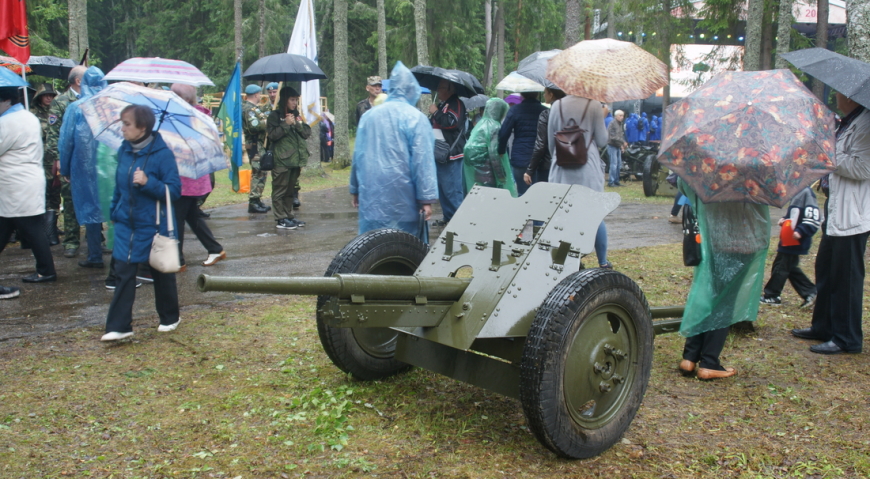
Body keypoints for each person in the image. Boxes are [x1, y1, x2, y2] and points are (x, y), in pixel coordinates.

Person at [792, 92, 870, 355]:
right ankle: (823, 326)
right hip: (836, 205)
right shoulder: (849, 121)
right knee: (825, 267)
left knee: (846, 276)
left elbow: (863, 168)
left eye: (840, 93)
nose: (836, 96)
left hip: (854, 211)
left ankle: (847, 338)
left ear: (852, 97)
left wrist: (829, 154)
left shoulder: (867, 123)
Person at [102, 105, 181, 341]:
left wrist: (148, 182)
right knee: (123, 272)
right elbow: (119, 185)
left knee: (160, 271)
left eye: (127, 124)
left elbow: (174, 191)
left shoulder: (163, 154)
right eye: (122, 123)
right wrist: (114, 211)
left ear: (143, 127)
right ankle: (119, 326)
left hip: (152, 224)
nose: (122, 128)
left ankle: (170, 316)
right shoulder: (124, 151)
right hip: (126, 223)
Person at [678, 181, 770, 379]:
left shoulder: (706, 166)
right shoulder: (754, 168)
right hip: (742, 241)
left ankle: (690, 357)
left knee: (706, 295)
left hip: (712, 240)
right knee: (725, 303)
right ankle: (709, 362)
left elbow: (684, 185)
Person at [350, 61, 437, 243]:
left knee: (370, 248)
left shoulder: (368, 117)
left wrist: (355, 188)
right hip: (405, 196)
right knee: (408, 248)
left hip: (372, 195)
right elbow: (423, 161)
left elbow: (358, 155)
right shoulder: (417, 119)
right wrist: (426, 199)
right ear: (412, 89)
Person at [0, 86, 58, 294]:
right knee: (23, 228)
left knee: (31, 229)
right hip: (25, 183)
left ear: (5, 101)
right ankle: (46, 269)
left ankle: (46, 270)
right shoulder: (27, 117)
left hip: (16, 185)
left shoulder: (7, 122)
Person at [547, 93, 611, 268]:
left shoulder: (556, 105)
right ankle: (603, 261)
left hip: (561, 168)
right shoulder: (594, 105)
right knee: (595, 214)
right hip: (587, 168)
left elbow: (550, 145)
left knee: (563, 216)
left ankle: (566, 260)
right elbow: (603, 140)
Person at [58, 66, 110, 270]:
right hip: (110, 165)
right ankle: (121, 256)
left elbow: (66, 141)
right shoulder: (112, 106)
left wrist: (65, 169)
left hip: (84, 166)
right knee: (115, 207)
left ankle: (95, 256)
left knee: (91, 209)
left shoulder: (76, 108)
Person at [170, 83, 226, 269]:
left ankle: (177, 260)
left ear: (185, 99)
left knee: (177, 217)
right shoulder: (192, 116)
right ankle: (215, 248)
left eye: (174, 95)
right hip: (187, 177)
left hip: (188, 178)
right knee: (191, 216)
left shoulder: (192, 118)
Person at [47, 65, 88, 258]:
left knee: (92, 198)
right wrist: (59, 160)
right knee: (70, 199)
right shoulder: (61, 102)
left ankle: (96, 239)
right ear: (78, 81)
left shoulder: (93, 98)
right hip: (69, 160)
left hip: (88, 159)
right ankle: (71, 240)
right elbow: (53, 135)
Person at [760, 187, 819, 307]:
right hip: (788, 239)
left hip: (795, 241)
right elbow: (794, 215)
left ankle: (772, 295)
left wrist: (801, 231)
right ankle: (811, 292)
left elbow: (812, 218)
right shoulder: (797, 192)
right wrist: (784, 219)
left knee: (781, 267)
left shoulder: (806, 192)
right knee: (789, 267)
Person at [267, 86, 310, 230]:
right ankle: (280, 218)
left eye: (296, 100)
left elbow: (306, 133)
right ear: (285, 100)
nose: (294, 103)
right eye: (292, 100)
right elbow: (272, 136)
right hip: (281, 160)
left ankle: (288, 215)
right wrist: (285, 124)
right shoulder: (274, 116)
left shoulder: (296, 114)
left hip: (295, 160)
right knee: (280, 189)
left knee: (290, 190)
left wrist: (296, 123)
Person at [428, 79, 467, 226]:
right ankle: (448, 218)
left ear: (450, 89)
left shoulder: (456, 103)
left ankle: (458, 222)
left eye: (441, 87)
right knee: (443, 189)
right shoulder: (443, 104)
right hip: (440, 153)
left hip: (451, 154)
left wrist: (436, 112)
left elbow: (452, 122)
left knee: (452, 190)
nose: (438, 90)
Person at [464, 97, 517, 196]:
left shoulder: (480, 123)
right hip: (486, 165)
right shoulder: (494, 126)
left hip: (473, 165)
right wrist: (501, 175)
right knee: (489, 193)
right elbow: (494, 153)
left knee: (478, 192)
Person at [497, 91, 546, 196]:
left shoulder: (514, 110)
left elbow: (504, 133)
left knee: (523, 193)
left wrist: (501, 150)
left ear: (522, 95)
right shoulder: (545, 111)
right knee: (540, 194)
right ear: (537, 94)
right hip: (541, 160)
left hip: (520, 157)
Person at [30, 83, 61, 245]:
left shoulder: (57, 111)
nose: (49, 97)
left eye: (51, 95)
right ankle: (43, 232)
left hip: (55, 160)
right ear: (39, 97)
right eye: (46, 95)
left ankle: (52, 230)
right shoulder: (33, 114)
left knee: (55, 194)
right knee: (42, 194)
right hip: (39, 161)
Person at [523, 87, 566, 188]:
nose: (544, 95)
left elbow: (540, 145)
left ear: (551, 95)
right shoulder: (571, 113)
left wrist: (530, 170)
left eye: (545, 93)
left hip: (547, 165)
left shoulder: (546, 115)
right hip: (570, 162)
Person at [242, 84, 271, 214]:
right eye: (259, 94)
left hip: (258, 144)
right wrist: (267, 123)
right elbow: (253, 126)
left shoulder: (253, 108)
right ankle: (253, 201)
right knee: (257, 170)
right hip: (253, 144)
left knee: (261, 170)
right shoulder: (248, 109)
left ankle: (257, 199)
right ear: (256, 94)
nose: (260, 96)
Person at [606, 110, 626, 187]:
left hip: (617, 146)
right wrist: (623, 142)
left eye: (622, 116)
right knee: (613, 165)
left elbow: (620, 135)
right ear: (616, 116)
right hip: (612, 146)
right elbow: (613, 137)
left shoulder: (620, 124)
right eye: (620, 116)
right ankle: (611, 182)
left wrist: (621, 146)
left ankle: (617, 181)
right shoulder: (612, 124)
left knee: (618, 165)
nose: (622, 117)